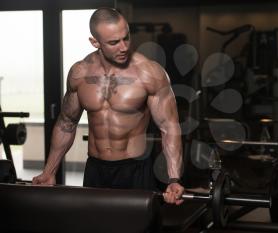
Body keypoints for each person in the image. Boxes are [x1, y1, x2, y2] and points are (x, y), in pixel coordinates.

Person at [32, 7, 184, 204]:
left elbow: (169, 126)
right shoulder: (80, 73)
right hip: (95, 169)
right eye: (114, 42)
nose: (124, 47)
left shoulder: (149, 73)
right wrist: (49, 171)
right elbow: (66, 123)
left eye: (126, 38)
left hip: (134, 170)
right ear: (95, 42)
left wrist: (173, 179)